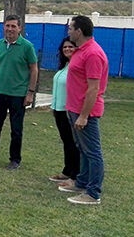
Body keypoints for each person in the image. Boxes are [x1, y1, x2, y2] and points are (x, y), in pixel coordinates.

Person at [0, 14, 39, 170]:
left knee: (16, 129)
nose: (10, 29)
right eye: (7, 26)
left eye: (13, 26)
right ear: (3, 27)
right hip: (0, 92)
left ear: (20, 28)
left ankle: (15, 159)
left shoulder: (27, 46)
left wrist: (30, 92)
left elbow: (34, 69)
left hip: (18, 94)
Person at [58, 15, 108, 205]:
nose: (68, 31)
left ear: (79, 31)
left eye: (71, 28)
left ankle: (93, 193)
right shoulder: (81, 50)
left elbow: (94, 88)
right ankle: (82, 183)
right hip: (74, 109)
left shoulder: (93, 53)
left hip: (85, 112)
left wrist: (84, 115)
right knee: (83, 149)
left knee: (93, 152)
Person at [48, 37, 80, 187]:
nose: (67, 49)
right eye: (65, 47)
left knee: (73, 143)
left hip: (69, 110)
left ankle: (75, 175)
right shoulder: (65, 66)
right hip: (58, 109)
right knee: (66, 141)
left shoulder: (77, 66)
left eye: (71, 47)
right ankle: (67, 170)